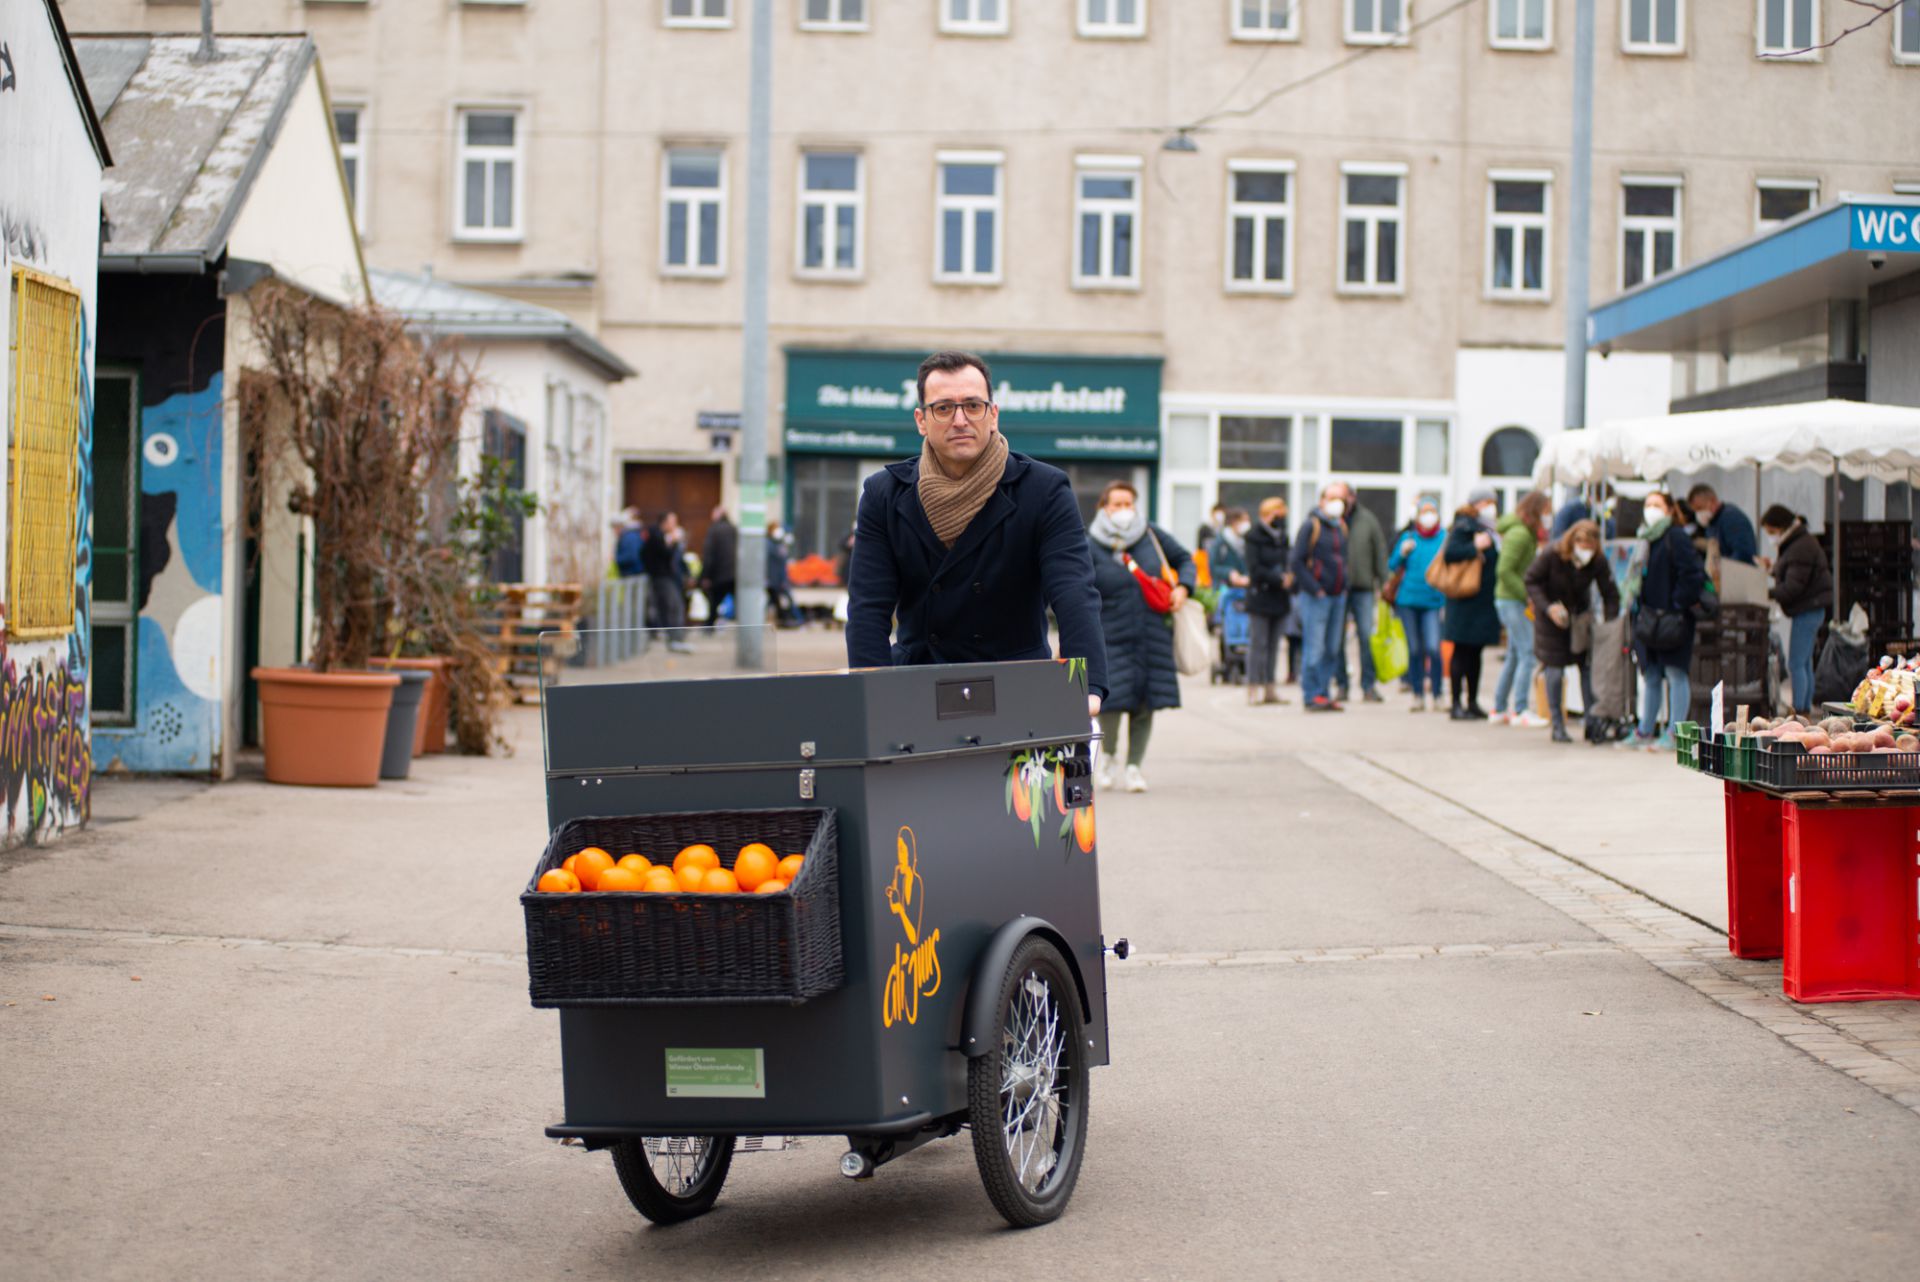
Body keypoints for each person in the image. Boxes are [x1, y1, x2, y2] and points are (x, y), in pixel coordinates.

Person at [844, 350, 1108, 719]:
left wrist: (1088, 684)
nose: (960, 419)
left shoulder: (1044, 489)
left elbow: (1074, 591)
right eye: (943, 408)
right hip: (918, 685)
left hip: (1018, 686)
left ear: (993, 414)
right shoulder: (883, 494)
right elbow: (868, 607)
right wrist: (870, 692)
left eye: (973, 405)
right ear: (921, 420)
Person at [1088, 481, 1196, 791]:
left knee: (1145, 702)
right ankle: (1107, 758)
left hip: (1151, 632)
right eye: (1116, 504)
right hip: (1109, 632)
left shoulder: (1150, 535)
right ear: (1103, 508)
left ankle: (1135, 765)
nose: (1123, 511)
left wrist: (1183, 587)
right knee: (1110, 701)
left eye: (1128, 504)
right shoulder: (1090, 543)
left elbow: (1184, 560)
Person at [1525, 519, 1621, 743]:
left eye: (1590, 546)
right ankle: (1557, 723)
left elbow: (1610, 592)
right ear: (1573, 541)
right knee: (1555, 671)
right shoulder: (1552, 554)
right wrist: (1548, 607)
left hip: (1579, 619)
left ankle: (1592, 721)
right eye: (1582, 545)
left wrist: (1610, 624)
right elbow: (1531, 580)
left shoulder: (1597, 560)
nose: (1585, 551)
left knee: (1586, 669)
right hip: (1551, 619)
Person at [1625, 490, 1705, 750]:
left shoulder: (1676, 536)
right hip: (1649, 619)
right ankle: (1645, 729)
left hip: (1673, 619)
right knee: (1651, 674)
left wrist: (1677, 604)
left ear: (1670, 510)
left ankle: (1674, 733)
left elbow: (1693, 574)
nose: (1651, 509)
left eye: (1657, 504)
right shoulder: (1645, 538)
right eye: (1648, 504)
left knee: (1675, 673)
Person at [1758, 504, 1833, 717]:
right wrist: (1773, 569)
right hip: (1812, 608)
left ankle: (1800, 710)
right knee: (1804, 661)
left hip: (1808, 609)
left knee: (1796, 663)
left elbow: (1793, 586)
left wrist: (1767, 593)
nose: (1771, 537)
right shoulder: (1798, 542)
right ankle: (1804, 707)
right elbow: (1794, 573)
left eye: (1771, 531)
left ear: (1781, 526)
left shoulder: (1800, 546)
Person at [1492, 491, 1553, 728]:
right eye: (1546, 511)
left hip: (1509, 599)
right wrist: (1527, 595)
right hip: (1511, 600)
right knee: (1527, 652)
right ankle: (1520, 708)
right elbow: (1504, 571)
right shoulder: (1519, 535)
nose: (1548, 517)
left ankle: (1499, 707)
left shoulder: (1522, 532)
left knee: (1516, 654)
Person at [1442, 488, 1502, 720]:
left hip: (1481, 600)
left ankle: (1472, 702)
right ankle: (1456, 703)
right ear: (1478, 503)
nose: (1491, 506)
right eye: (1488, 502)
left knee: (1475, 652)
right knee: (1461, 651)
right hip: (1464, 598)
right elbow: (1451, 553)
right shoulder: (1464, 525)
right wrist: (1475, 546)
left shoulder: (1486, 526)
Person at [1290, 484, 1350, 713]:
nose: (1338, 503)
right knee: (1314, 648)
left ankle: (1324, 692)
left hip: (1338, 596)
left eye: (1341, 499)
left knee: (1332, 648)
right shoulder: (1310, 526)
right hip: (1316, 597)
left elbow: (1343, 560)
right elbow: (1296, 561)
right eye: (1333, 498)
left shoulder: (1340, 527)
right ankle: (1311, 694)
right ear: (1322, 500)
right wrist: (1315, 588)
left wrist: (1344, 586)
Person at [1388, 499, 1447, 712]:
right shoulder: (1409, 537)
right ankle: (1417, 694)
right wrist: (1401, 552)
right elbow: (1392, 565)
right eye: (1424, 512)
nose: (1428, 516)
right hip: (1408, 601)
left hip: (1433, 601)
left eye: (1432, 511)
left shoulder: (1444, 538)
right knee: (1415, 649)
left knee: (1433, 647)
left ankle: (1438, 694)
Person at [1332, 483, 1389, 704]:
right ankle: (1341, 685)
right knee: (1337, 639)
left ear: (1353, 497)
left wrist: (1384, 581)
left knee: (1366, 636)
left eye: (1345, 496)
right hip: (1337, 588)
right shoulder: (1331, 520)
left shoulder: (1367, 520)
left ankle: (1368, 685)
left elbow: (1379, 551)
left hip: (1363, 587)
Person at [1240, 500, 1294, 707]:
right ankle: (1253, 686)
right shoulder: (1254, 537)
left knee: (1274, 645)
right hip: (1260, 596)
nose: (1282, 517)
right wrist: (1278, 578)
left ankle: (1270, 688)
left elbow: (1288, 560)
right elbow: (1254, 569)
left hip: (1280, 597)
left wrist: (1289, 578)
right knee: (1258, 644)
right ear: (1269, 513)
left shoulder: (1283, 536)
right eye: (1279, 513)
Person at [640, 511, 692, 652]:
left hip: (668, 577)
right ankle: (674, 640)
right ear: (665, 523)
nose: (675, 525)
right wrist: (674, 542)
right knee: (671, 607)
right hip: (661, 577)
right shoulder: (655, 536)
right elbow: (664, 554)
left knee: (675, 606)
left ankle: (676, 638)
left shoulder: (661, 536)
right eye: (672, 522)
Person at [1687, 484, 1758, 566]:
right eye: (1695, 511)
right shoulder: (1711, 522)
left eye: (1700, 508)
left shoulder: (1732, 518)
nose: (1698, 514)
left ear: (1713, 501)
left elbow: (1743, 553)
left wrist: (1722, 569)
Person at [700, 505, 737, 626]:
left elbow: (709, 554)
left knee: (714, 602)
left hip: (720, 575)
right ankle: (749, 627)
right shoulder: (734, 529)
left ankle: (709, 627)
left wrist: (705, 575)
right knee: (741, 602)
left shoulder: (714, 530)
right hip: (734, 573)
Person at [766, 519, 799, 626]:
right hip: (774, 579)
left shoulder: (778, 543)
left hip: (780, 579)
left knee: (776, 601)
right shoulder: (769, 544)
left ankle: (792, 619)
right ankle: (795, 619)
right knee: (777, 601)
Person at [614, 507, 645, 579]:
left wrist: (616, 559)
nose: (615, 530)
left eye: (616, 527)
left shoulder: (629, 536)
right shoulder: (633, 534)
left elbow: (632, 555)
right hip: (633, 572)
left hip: (631, 573)